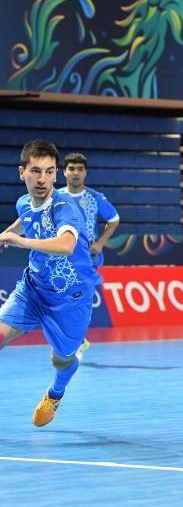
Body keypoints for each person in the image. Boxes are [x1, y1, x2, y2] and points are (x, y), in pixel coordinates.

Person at [0, 140, 98, 427]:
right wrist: (6, 235)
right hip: (33, 289)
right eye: (35, 171)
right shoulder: (23, 202)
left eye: (49, 171)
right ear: (22, 172)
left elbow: (67, 245)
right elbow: (25, 218)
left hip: (70, 299)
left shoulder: (65, 207)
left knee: (62, 360)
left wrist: (18, 241)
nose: (42, 179)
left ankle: (55, 394)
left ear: (56, 174)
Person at [57, 152, 120, 360]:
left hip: (88, 260)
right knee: (66, 303)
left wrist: (101, 243)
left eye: (80, 169)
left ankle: (76, 344)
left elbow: (114, 219)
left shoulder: (95, 197)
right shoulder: (56, 197)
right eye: (71, 169)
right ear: (64, 171)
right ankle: (79, 340)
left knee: (78, 301)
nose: (76, 173)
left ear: (85, 172)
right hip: (63, 258)